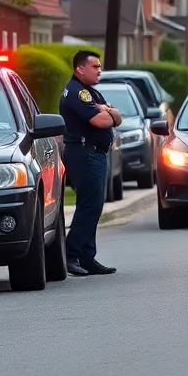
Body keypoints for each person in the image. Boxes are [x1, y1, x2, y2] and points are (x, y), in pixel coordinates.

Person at [60, 50, 122, 275]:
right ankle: (71, 255)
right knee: (88, 207)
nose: (99, 71)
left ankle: (87, 257)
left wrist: (111, 112)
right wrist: (109, 114)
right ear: (80, 68)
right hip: (85, 154)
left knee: (93, 207)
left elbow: (116, 116)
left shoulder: (90, 92)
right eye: (95, 67)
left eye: (100, 66)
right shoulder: (78, 93)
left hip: (93, 153)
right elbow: (101, 120)